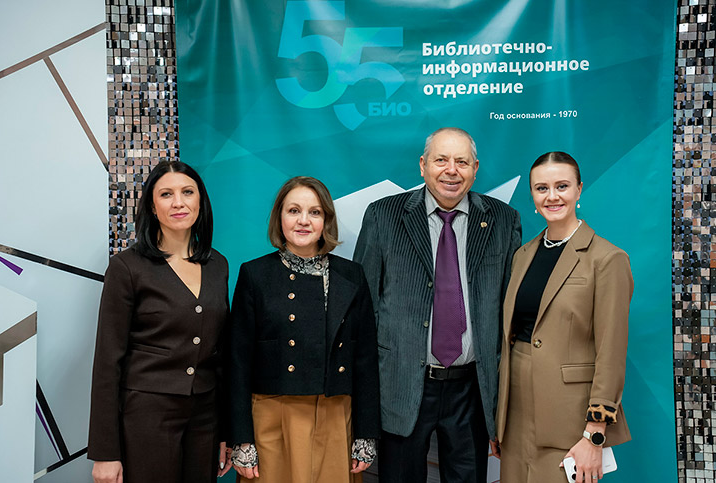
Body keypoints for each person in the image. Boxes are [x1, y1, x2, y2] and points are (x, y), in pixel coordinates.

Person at [353, 127, 522, 483]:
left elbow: (511, 312)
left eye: (462, 161)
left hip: (472, 390)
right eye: (441, 160)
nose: (451, 170)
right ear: (422, 165)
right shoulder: (383, 216)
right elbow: (364, 308)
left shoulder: (504, 220)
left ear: (475, 168)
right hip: (401, 384)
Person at [228, 176, 380, 483]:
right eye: (294, 210)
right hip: (272, 416)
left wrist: (366, 434)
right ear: (279, 218)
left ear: (326, 220)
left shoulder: (352, 275)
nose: (304, 221)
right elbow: (238, 363)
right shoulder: (255, 275)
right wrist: (241, 439)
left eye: (315, 212)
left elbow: (365, 359)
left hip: (336, 413)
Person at [88, 161, 232, 483]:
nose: (178, 202)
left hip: (205, 419)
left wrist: (225, 431)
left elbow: (221, 354)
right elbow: (107, 363)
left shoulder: (218, 265)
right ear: (152, 207)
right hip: (146, 416)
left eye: (187, 192)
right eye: (166, 194)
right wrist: (105, 452)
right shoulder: (126, 267)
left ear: (200, 201)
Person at [494, 152, 633, 483]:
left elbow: (611, 354)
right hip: (514, 414)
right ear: (532, 194)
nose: (552, 196)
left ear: (579, 189)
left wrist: (594, 434)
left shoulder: (608, 259)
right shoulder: (522, 255)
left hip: (570, 418)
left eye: (562, 186)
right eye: (541, 188)